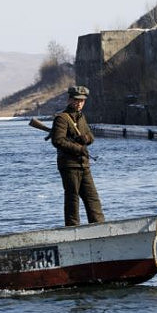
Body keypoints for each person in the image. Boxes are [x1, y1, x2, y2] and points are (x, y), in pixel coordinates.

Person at [51, 85, 105, 226]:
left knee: (92, 198)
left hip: (83, 164)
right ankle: (73, 229)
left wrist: (86, 139)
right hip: (69, 165)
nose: (79, 103)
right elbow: (58, 141)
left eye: (82, 100)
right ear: (69, 100)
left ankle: (99, 226)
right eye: (76, 100)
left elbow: (91, 136)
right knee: (72, 199)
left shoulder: (81, 117)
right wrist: (78, 149)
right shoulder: (61, 118)